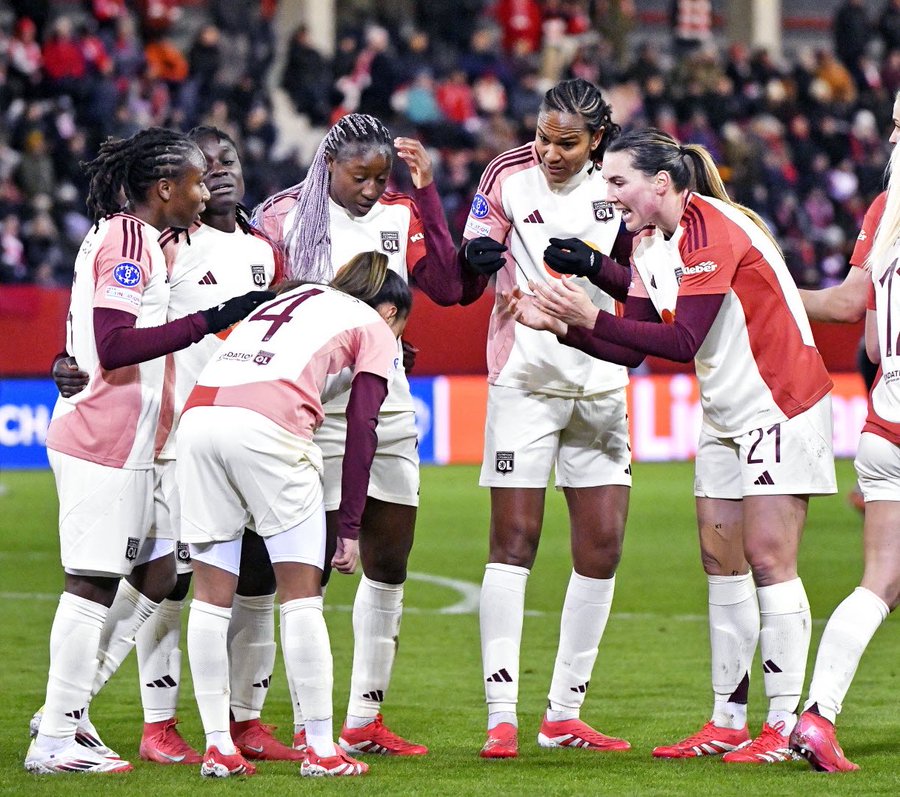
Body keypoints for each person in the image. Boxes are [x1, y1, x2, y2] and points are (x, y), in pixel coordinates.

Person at [506, 128, 837, 764]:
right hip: (724, 413)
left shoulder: (714, 228)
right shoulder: (649, 238)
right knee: (722, 564)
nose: (608, 193)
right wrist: (566, 327)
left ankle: (784, 726)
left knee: (770, 561)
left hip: (780, 402)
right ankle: (726, 721)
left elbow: (683, 340)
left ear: (661, 183)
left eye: (617, 181)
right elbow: (633, 347)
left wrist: (586, 313)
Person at [24, 127, 272, 775]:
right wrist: (212, 318)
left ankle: (67, 711)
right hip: (106, 436)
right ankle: (55, 733)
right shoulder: (133, 239)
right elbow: (113, 343)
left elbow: (89, 331)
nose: (205, 188)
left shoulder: (133, 238)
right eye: (194, 179)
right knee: (92, 582)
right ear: (165, 187)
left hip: (136, 437)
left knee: (151, 573)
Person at [253, 113, 461, 756]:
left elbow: (450, 287)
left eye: (382, 176)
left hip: (388, 408)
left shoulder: (402, 211)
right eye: (359, 176)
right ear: (328, 165)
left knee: (390, 562)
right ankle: (289, 718)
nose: (372, 189)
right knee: (301, 570)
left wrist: (426, 190)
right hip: (307, 411)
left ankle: (365, 720)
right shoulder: (284, 219)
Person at [179, 252, 411, 778]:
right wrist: (348, 528)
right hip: (268, 429)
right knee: (302, 596)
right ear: (392, 313)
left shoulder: (294, 297)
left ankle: (218, 747)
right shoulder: (374, 324)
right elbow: (363, 428)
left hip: (200, 420)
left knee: (212, 599)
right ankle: (324, 751)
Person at [455, 78, 634, 759]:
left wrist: (599, 266)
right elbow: (478, 241)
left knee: (602, 547)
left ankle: (563, 713)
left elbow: (638, 278)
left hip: (598, 382)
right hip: (524, 382)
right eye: (542, 138)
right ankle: (502, 714)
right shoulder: (506, 172)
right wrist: (476, 254)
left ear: (596, 143)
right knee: (515, 541)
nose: (550, 153)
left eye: (567, 143)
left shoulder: (619, 186)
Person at [789, 137, 900, 774]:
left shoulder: (885, 209)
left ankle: (818, 714)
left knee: (881, 581)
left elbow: (869, 333)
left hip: (886, 417)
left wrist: (768, 287)